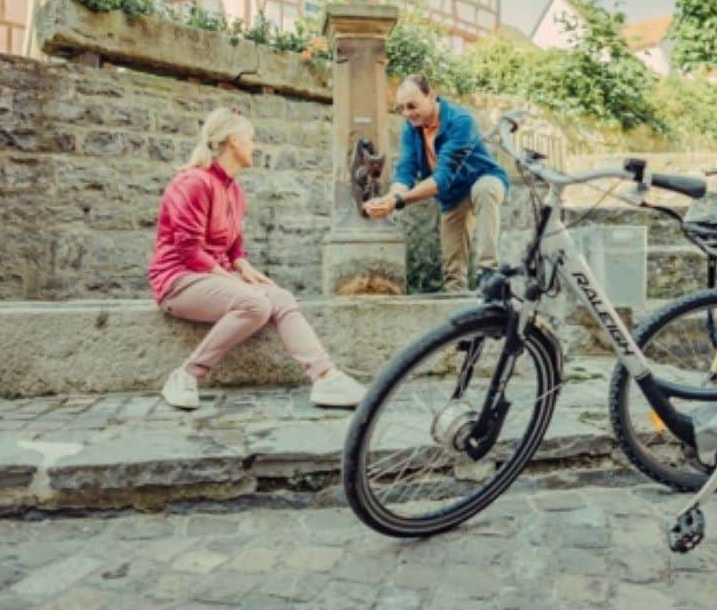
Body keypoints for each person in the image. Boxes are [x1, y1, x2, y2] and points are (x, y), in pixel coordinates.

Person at [148, 106, 366, 410]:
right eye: (250, 138)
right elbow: (189, 252)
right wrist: (233, 282)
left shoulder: (233, 190)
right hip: (178, 281)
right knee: (255, 303)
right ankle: (185, 375)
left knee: (280, 297)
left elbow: (233, 244)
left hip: (213, 277)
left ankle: (326, 378)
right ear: (234, 140)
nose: (255, 145)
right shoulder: (194, 182)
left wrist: (244, 268)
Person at [363, 74, 509, 292]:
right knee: (452, 273)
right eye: (401, 108)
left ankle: (489, 271)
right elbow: (405, 171)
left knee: (485, 189)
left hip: (483, 178)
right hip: (452, 196)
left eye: (412, 106)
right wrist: (389, 198)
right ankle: (462, 316)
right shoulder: (411, 128)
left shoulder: (460, 121)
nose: (407, 113)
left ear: (431, 96)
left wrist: (398, 201)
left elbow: (441, 178)